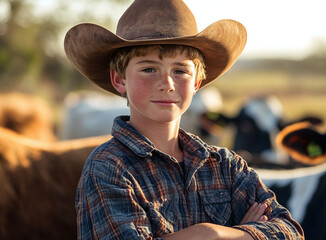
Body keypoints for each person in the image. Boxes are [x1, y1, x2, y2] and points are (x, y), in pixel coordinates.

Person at [64, 0, 304, 239]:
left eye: (180, 71)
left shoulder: (225, 165)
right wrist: (211, 233)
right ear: (119, 80)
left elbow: (290, 231)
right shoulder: (109, 168)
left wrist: (220, 236)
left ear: (197, 82)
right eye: (149, 69)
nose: (167, 84)